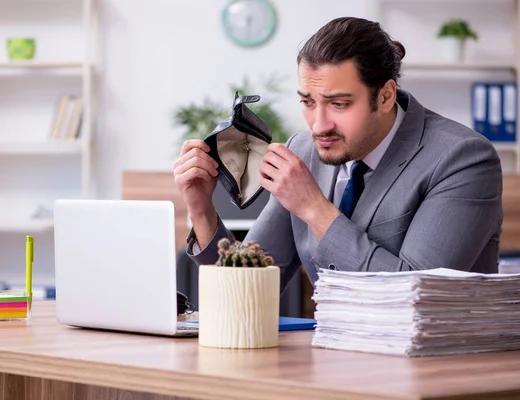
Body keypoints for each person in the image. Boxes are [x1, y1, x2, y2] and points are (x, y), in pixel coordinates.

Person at [173, 16, 503, 294]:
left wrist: (314, 208)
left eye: (339, 104)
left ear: (385, 96)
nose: (319, 125)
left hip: (438, 366)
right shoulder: (303, 149)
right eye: (307, 102)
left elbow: (417, 295)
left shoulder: (462, 158)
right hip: (334, 357)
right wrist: (202, 210)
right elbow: (246, 289)